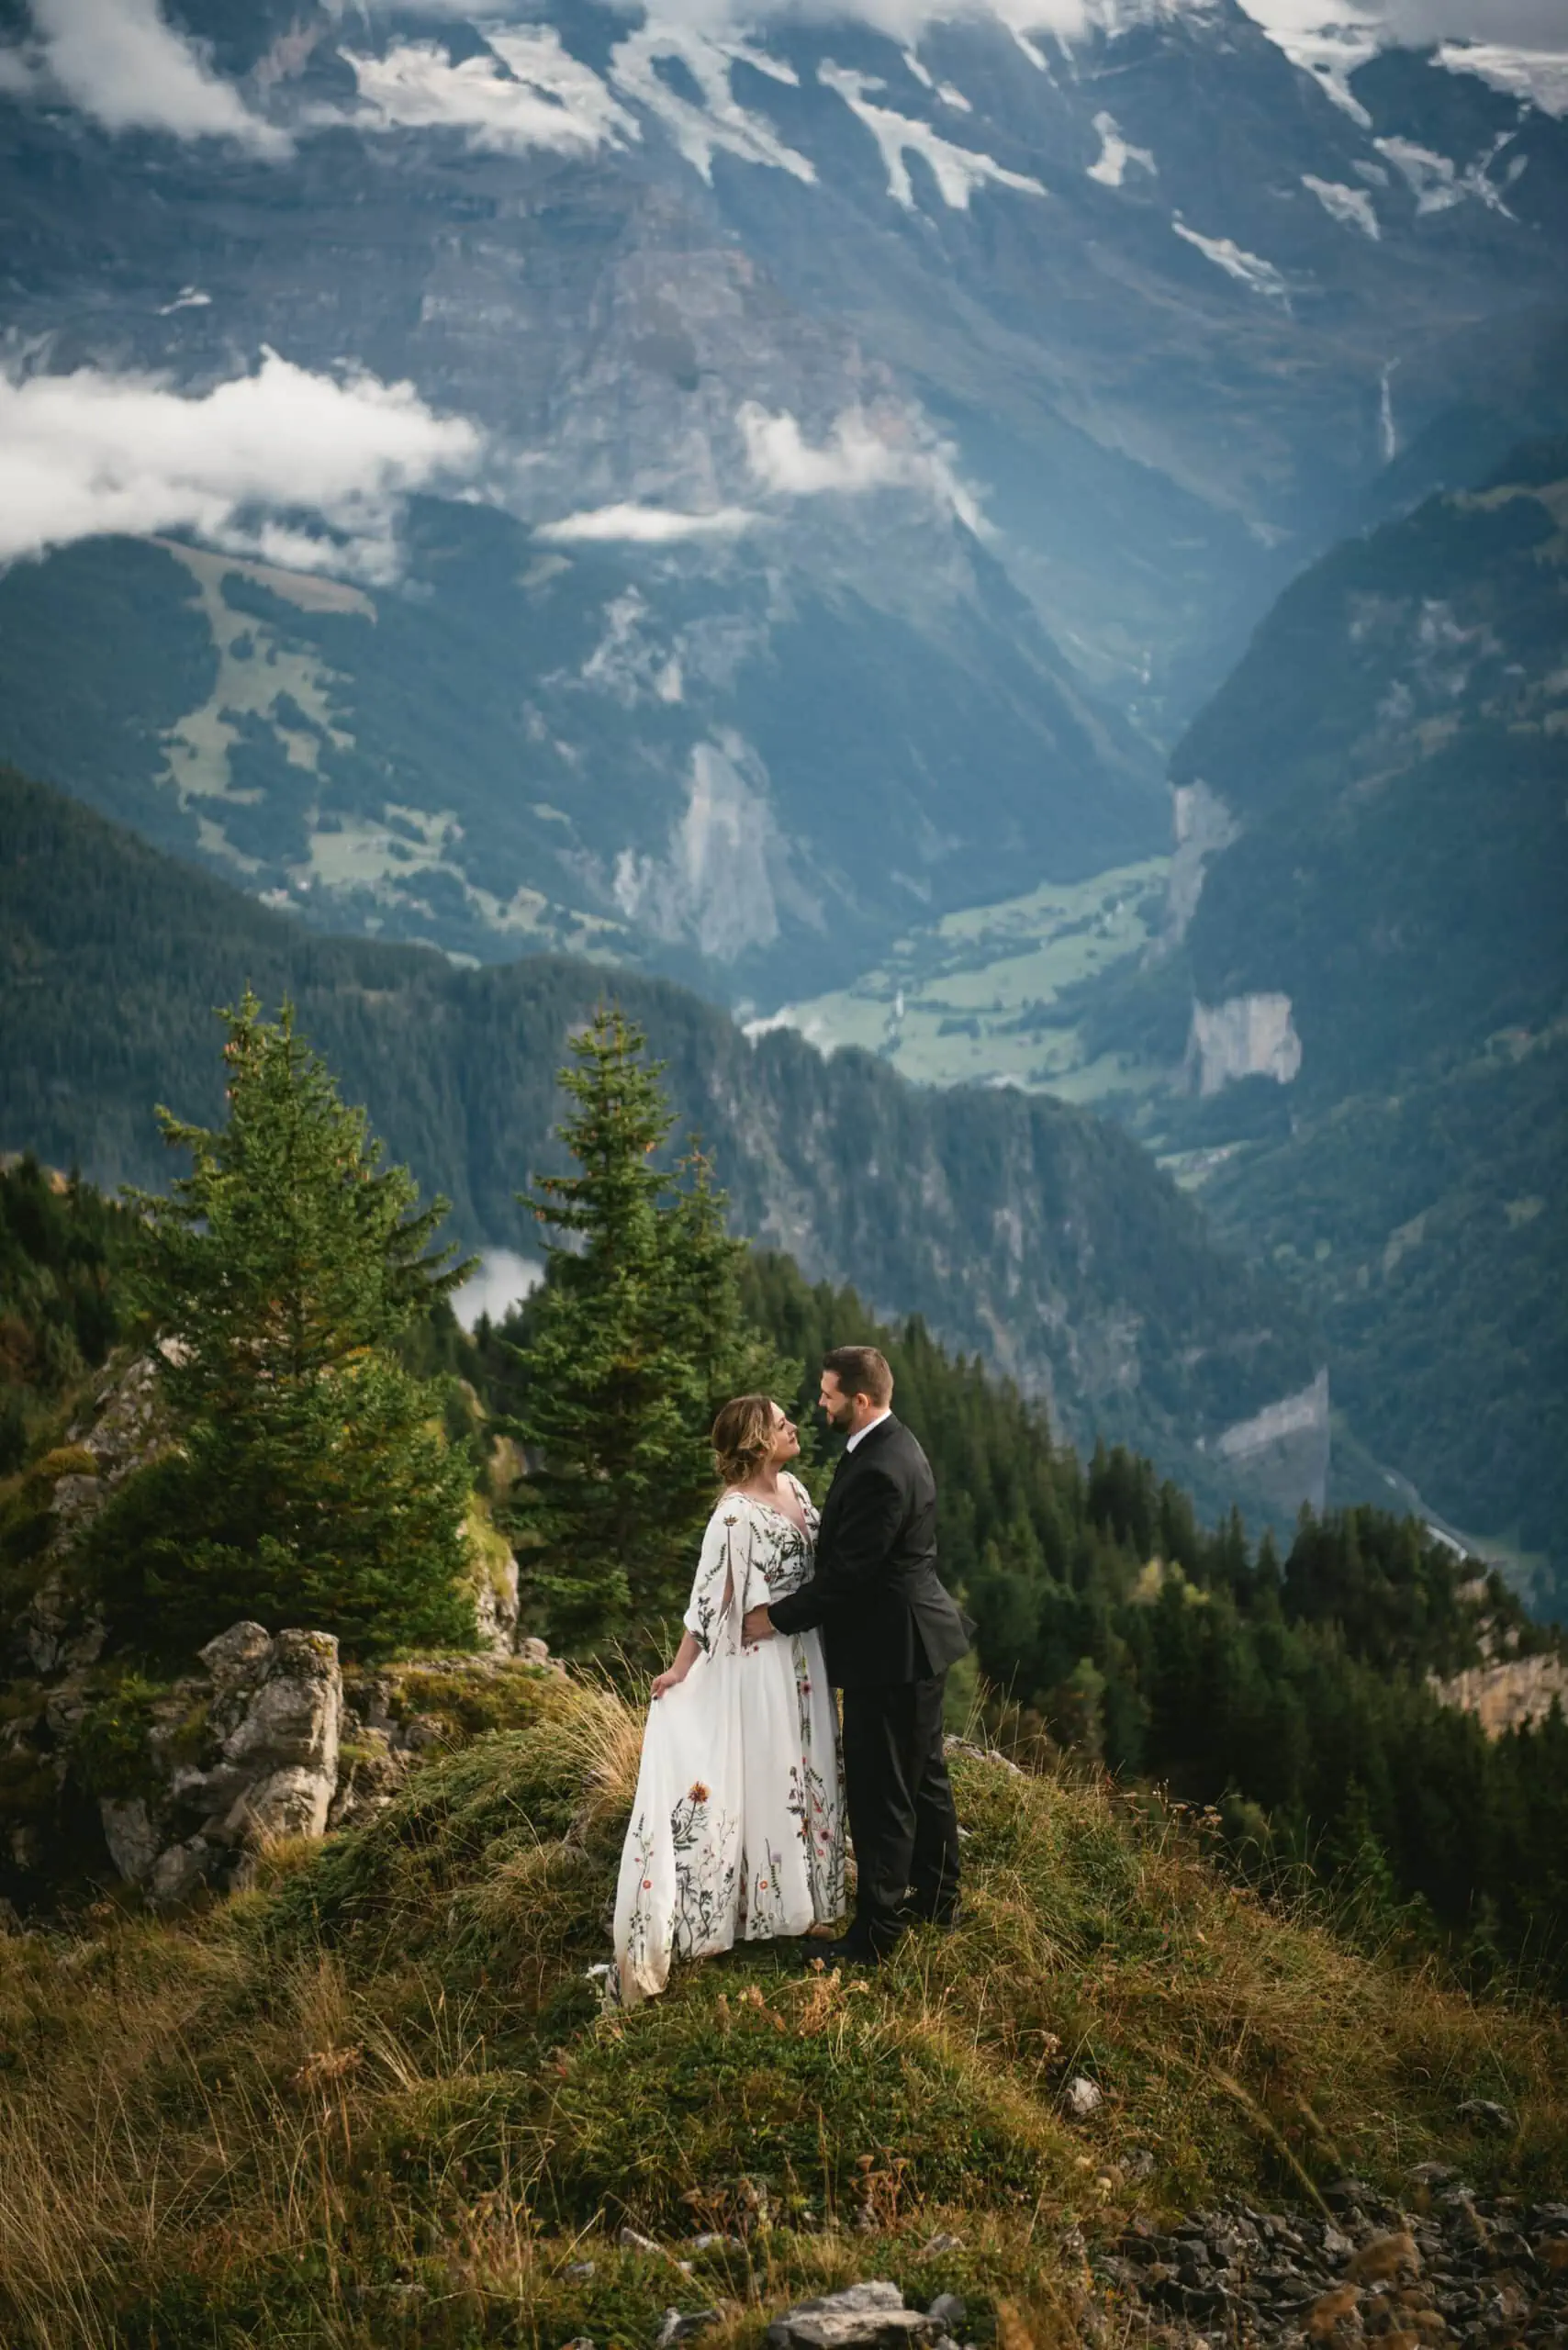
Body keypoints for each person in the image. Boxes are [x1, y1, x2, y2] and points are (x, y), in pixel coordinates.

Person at [610, 1394, 846, 2008]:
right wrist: (680, 1671)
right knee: (776, 1775)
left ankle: (814, 1901)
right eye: (779, 1420)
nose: (792, 1423)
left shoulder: (794, 1486)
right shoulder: (733, 1517)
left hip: (805, 1656)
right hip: (761, 1665)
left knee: (813, 1765)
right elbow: (710, 1603)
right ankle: (770, 1906)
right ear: (758, 1441)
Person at [743, 1345, 969, 1964]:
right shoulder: (890, 1444)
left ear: (860, 1400)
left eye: (828, 1395)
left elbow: (849, 1577)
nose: (819, 1403)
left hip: (890, 1649)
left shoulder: (877, 1468)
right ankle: (938, 1899)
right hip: (911, 1640)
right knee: (922, 1776)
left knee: (881, 1791)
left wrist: (774, 1618)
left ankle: (877, 1934)